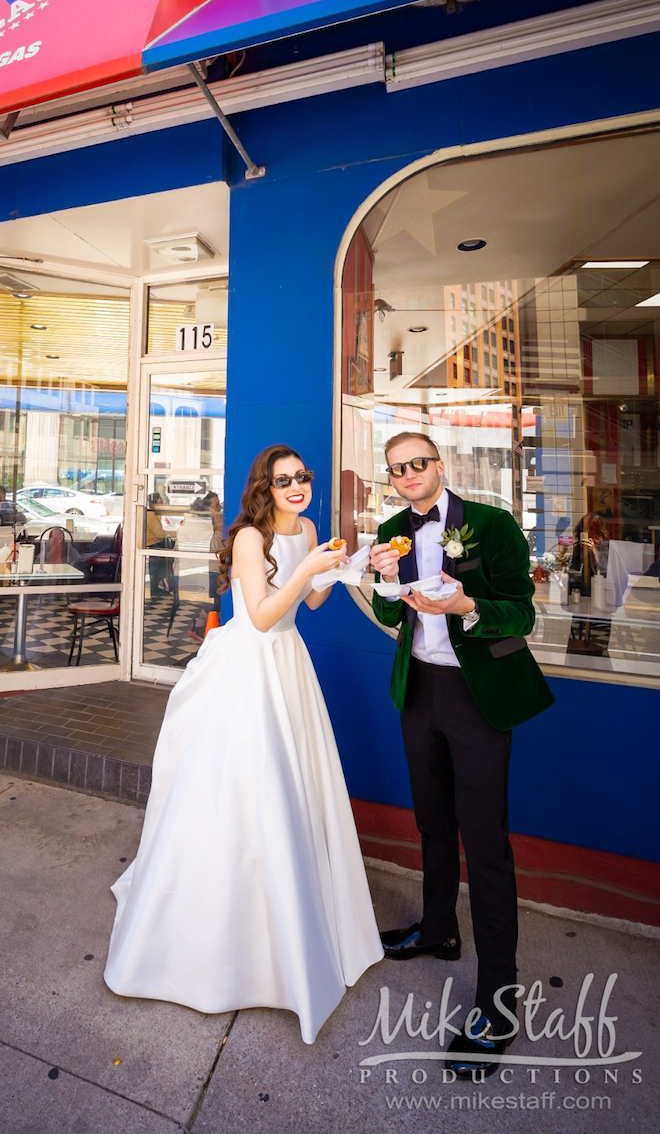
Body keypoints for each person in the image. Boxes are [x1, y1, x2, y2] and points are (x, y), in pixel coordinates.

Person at [104, 444, 384, 1044]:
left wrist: (343, 564)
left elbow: (310, 602)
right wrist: (310, 570)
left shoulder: (307, 528)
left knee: (293, 787)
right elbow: (258, 616)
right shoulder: (251, 539)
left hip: (288, 663)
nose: (296, 487)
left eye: (302, 477)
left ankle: (294, 911)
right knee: (244, 788)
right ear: (266, 485)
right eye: (284, 480)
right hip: (249, 665)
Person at [367, 432, 556, 1079]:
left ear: (439, 467)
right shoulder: (392, 528)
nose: (408, 475)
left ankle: (498, 1006)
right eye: (397, 469)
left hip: (479, 698)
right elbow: (386, 612)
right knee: (431, 821)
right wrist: (385, 583)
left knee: (485, 841)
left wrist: (470, 603)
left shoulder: (492, 524)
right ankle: (438, 929)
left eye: (417, 463)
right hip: (418, 691)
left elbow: (522, 614)